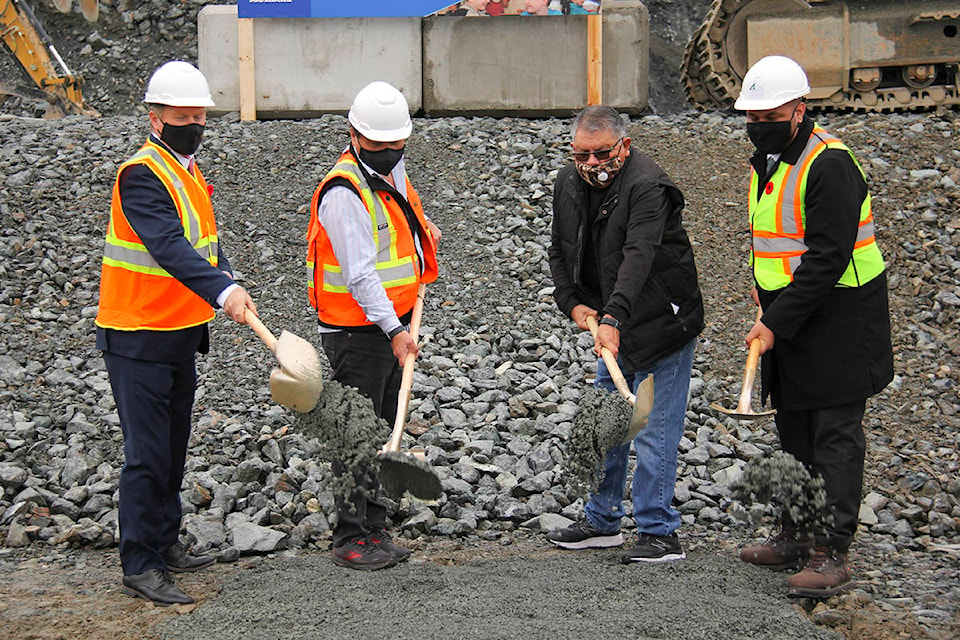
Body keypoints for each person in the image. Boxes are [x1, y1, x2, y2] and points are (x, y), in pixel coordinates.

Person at [96, 60, 257, 605]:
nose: (195, 123)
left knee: (172, 448)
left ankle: (165, 544)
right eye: (183, 114)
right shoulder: (141, 173)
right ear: (155, 116)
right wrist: (221, 291)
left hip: (178, 333)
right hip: (136, 335)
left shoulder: (185, 170)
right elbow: (167, 246)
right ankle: (139, 563)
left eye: (200, 115)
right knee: (146, 454)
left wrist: (228, 277)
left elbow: (202, 242)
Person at [732, 55, 894, 598]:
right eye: (751, 115)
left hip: (841, 321)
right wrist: (763, 298)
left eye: (768, 113)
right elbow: (772, 240)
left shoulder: (831, 165)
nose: (758, 123)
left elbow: (827, 257)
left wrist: (776, 321)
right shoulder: (767, 160)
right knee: (794, 432)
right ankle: (796, 535)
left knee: (834, 437)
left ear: (799, 110)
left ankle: (832, 551)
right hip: (792, 317)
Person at [546, 105, 704, 563]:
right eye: (582, 155)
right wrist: (571, 301)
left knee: (653, 427)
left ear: (624, 146)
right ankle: (602, 521)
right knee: (607, 421)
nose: (591, 164)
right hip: (611, 319)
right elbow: (560, 247)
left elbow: (639, 254)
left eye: (601, 154)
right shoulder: (568, 183)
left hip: (662, 319)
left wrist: (613, 318)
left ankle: (658, 532)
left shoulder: (648, 186)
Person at [307, 81, 440, 571]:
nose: (388, 153)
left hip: (390, 322)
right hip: (356, 329)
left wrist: (425, 240)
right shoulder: (343, 193)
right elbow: (360, 274)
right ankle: (349, 535)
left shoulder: (391, 167)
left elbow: (402, 220)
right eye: (379, 145)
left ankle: (374, 523)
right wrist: (396, 331)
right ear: (354, 136)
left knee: (383, 427)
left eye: (396, 144)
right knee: (356, 433)